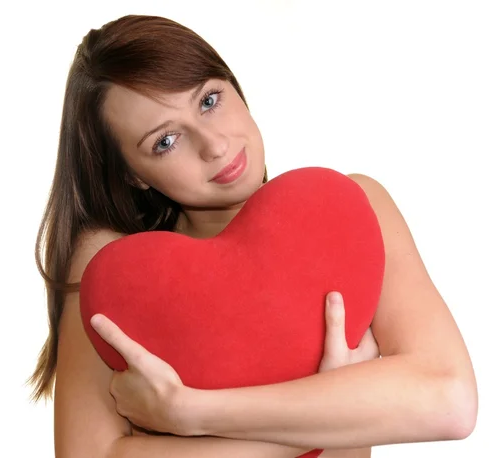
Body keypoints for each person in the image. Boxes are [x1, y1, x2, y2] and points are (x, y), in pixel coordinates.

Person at [28, 14, 478, 458]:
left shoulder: (347, 213)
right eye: (165, 141)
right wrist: (323, 414)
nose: (215, 144)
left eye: (209, 100)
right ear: (132, 176)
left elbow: (449, 400)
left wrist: (190, 413)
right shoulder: (120, 277)